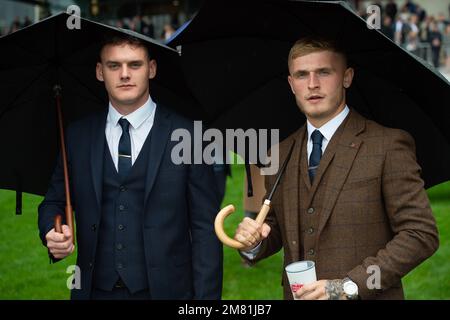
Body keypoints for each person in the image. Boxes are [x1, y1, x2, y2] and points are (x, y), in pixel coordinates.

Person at [234, 36, 439, 300]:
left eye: (324, 72)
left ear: (347, 77)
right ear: (290, 84)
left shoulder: (387, 145)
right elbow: (276, 226)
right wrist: (254, 240)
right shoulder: (280, 152)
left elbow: (420, 234)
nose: (312, 84)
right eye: (301, 75)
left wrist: (349, 286)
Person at [38, 34, 223, 300]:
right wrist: (51, 230)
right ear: (100, 72)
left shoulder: (188, 136)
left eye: (134, 65)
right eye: (114, 66)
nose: (125, 74)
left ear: (152, 68)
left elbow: (206, 229)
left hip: (166, 292)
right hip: (94, 292)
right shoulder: (78, 136)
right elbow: (52, 203)